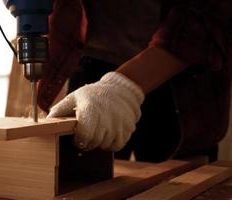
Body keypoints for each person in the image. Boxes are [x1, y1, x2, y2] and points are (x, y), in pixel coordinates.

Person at [37, 0, 232, 162]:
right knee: (83, 178)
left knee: (178, 182)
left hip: (180, 77)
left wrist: (121, 87)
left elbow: (210, 17)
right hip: (91, 77)